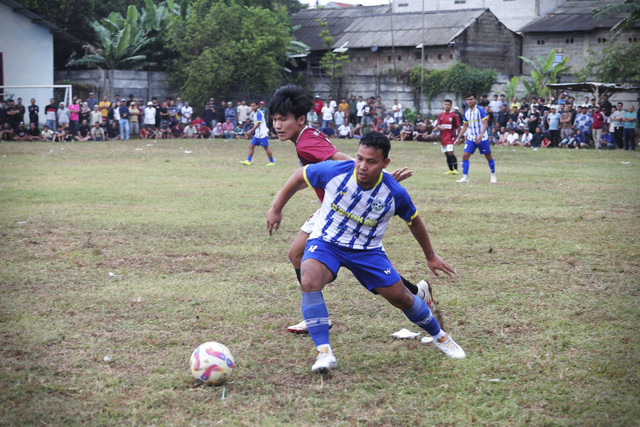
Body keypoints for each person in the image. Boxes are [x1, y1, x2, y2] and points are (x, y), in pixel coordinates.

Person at [266, 131, 464, 373]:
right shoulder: (335, 171)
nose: (362, 166)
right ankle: (324, 353)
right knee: (308, 279)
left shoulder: (394, 193)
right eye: (359, 158)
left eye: (371, 162)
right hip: (327, 242)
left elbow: (414, 220)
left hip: (367, 251)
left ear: (384, 164)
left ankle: (441, 337)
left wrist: (430, 255)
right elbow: (300, 176)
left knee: (401, 297)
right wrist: (276, 208)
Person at [267, 84, 437, 334]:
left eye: (283, 119)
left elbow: (344, 161)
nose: (277, 125)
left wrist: (381, 179)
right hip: (334, 206)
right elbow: (319, 172)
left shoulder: (306, 143)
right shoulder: (307, 136)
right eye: (274, 120)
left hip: (341, 209)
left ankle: (414, 294)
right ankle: (416, 291)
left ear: (300, 119)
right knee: (298, 254)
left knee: (369, 275)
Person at [454, 94, 496, 183]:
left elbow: (485, 124)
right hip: (472, 137)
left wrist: (481, 135)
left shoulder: (480, 110)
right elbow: (465, 126)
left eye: (471, 99)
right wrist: (458, 138)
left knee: (488, 156)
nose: (469, 101)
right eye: (468, 99)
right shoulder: (466, 112)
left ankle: (493, 175)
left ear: (475, 100)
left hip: (482, 138)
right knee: (465, 156)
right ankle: (465, 177)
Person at [240, 101, 275, 166]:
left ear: (257, 106)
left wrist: (250, 131)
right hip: (257, 134)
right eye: (251, 106)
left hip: (262, 134)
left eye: (254, 106)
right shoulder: (254, 113)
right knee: (251, 146)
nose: (252, 107)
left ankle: (272, 162)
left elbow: (258, 124)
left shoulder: (259, 113)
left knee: (266, 148)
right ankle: (248, 161)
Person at [434, 99, 461, 174]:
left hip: (451, 137)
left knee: (450, 152)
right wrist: (439, 127)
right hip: (443, 137)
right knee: (446, 153)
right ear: (443, 105)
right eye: (445, 104)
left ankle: (456, 169)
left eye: (448, 104)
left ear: (451, 106)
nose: (446, 106)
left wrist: (459, 138)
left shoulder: (454, 116)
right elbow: (438, 125)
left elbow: (458, 127)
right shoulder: (440, 115)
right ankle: (450, 170)